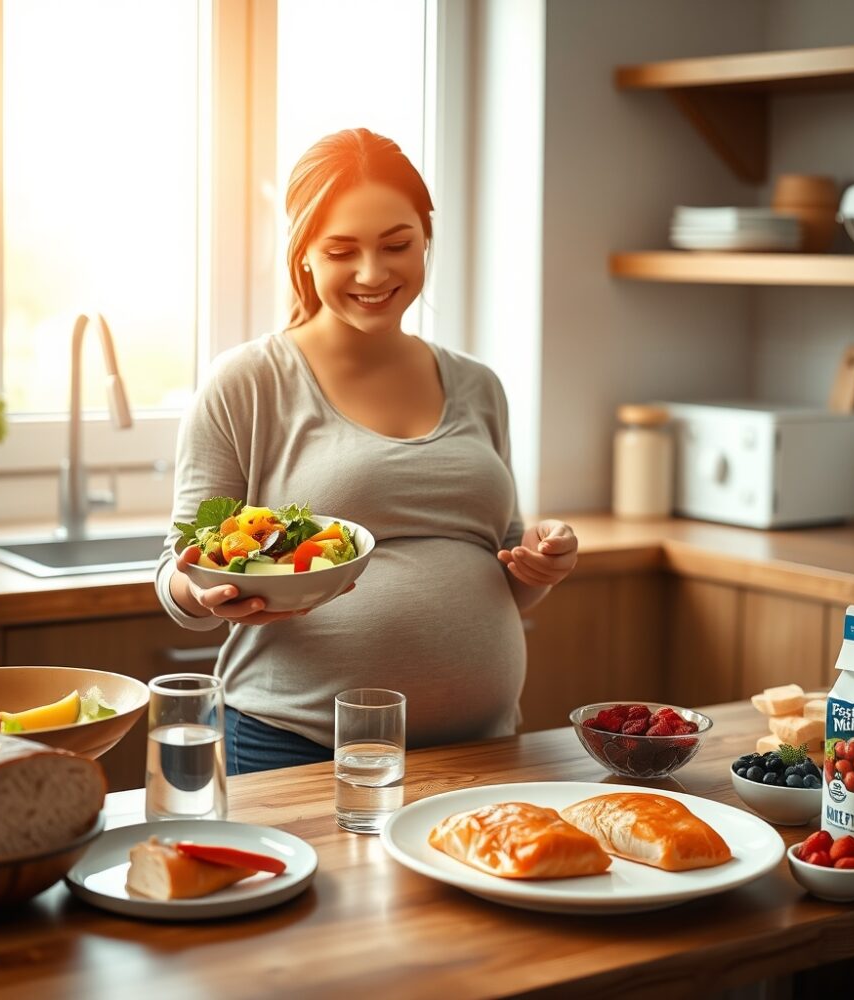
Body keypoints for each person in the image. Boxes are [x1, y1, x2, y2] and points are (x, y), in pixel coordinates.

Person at [155, 128, 579, 775]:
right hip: (295, 747)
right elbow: (179, 567)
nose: (373, 273)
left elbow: (501, 564)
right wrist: (201, 594)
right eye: (342, 250)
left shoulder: (478, 385)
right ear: (304, 255)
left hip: (482, 747)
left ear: (425, 239)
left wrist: (539, 567)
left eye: (397, 245)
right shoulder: (248, 383)